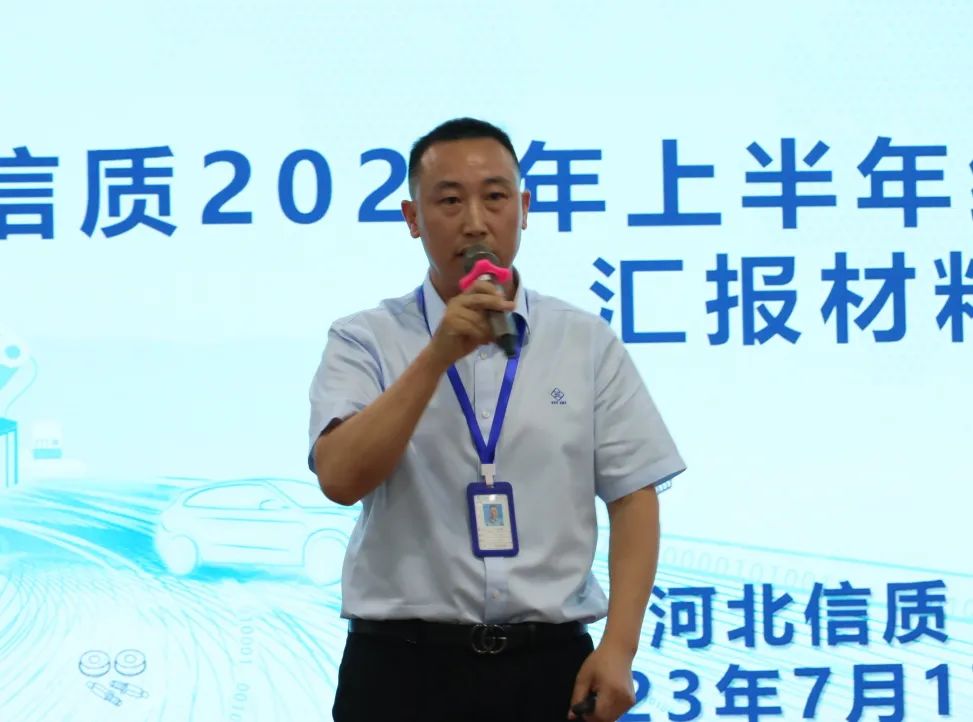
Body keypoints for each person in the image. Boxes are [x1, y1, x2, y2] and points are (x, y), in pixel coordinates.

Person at [308, 117, 685, 722]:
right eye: (449, 201)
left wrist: (619, 647)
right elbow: (340, 478)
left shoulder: (583, 342)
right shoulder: (365, 339)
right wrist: (436, 356)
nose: (475, 222)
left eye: (495, 197)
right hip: (401, 670)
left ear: (524, 209)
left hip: (548, 667)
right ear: (412, 217)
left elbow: (633, 496)